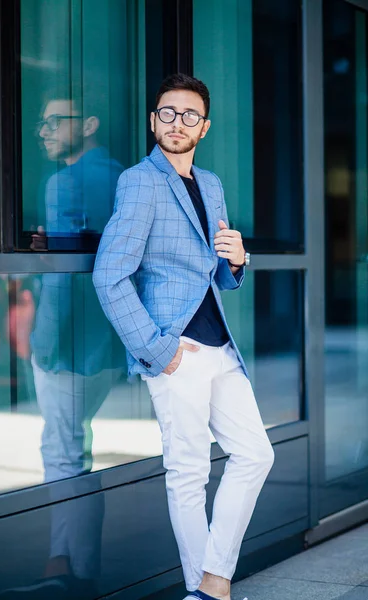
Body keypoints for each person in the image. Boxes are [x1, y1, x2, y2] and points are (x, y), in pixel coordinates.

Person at [93, 73, 274, 600]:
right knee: (188, 471)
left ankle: (212, 579)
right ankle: (209, 589)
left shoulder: (211, 184)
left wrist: (238, 261)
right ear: (154, 121)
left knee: (256, 454)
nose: (177, 124)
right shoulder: (140, 181)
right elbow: (110, 274)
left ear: (205, 126)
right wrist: (157, 349)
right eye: (167, 114)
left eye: (189, 116)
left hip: (220, 346)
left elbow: (215, 270)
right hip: (178, 349)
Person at [0, 96, 123, 600]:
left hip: (68, 344)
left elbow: (69, 278)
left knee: (63, 450)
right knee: (72, 446)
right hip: (109, 344)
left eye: (55, 121)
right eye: (41, 121)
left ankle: (67, 572)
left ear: (89, 123)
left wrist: (40, 344)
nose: (43, 131)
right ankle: (77, 566)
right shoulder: (120, 175)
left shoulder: (64, 182)